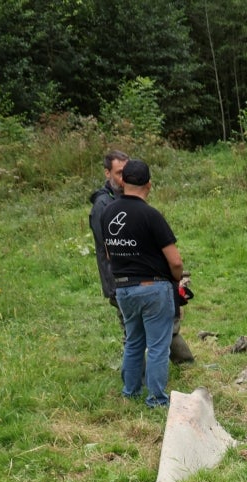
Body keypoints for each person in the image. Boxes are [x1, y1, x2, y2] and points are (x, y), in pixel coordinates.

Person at [89, 150, 193, 363]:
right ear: (107, 173)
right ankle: (144, 384)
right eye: (119, 173)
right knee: (136, 335)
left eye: (126, 172)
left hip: (144, 278)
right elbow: (110, 251)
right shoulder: (103, 207)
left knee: (162, 326)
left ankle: (183, 364)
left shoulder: (129, 203)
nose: (124, 178)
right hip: (122, 280)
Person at [99, 159, 187, 409]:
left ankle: (130, 391)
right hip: (153, 288)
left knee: (134, 340)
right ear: (149, 184)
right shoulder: (151, 215)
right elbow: (176, 261)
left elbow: (108, 254)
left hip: (124, 288)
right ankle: (157, 399)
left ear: (123, 182)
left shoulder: (108, 212)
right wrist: (176, 280)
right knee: (159, 346)